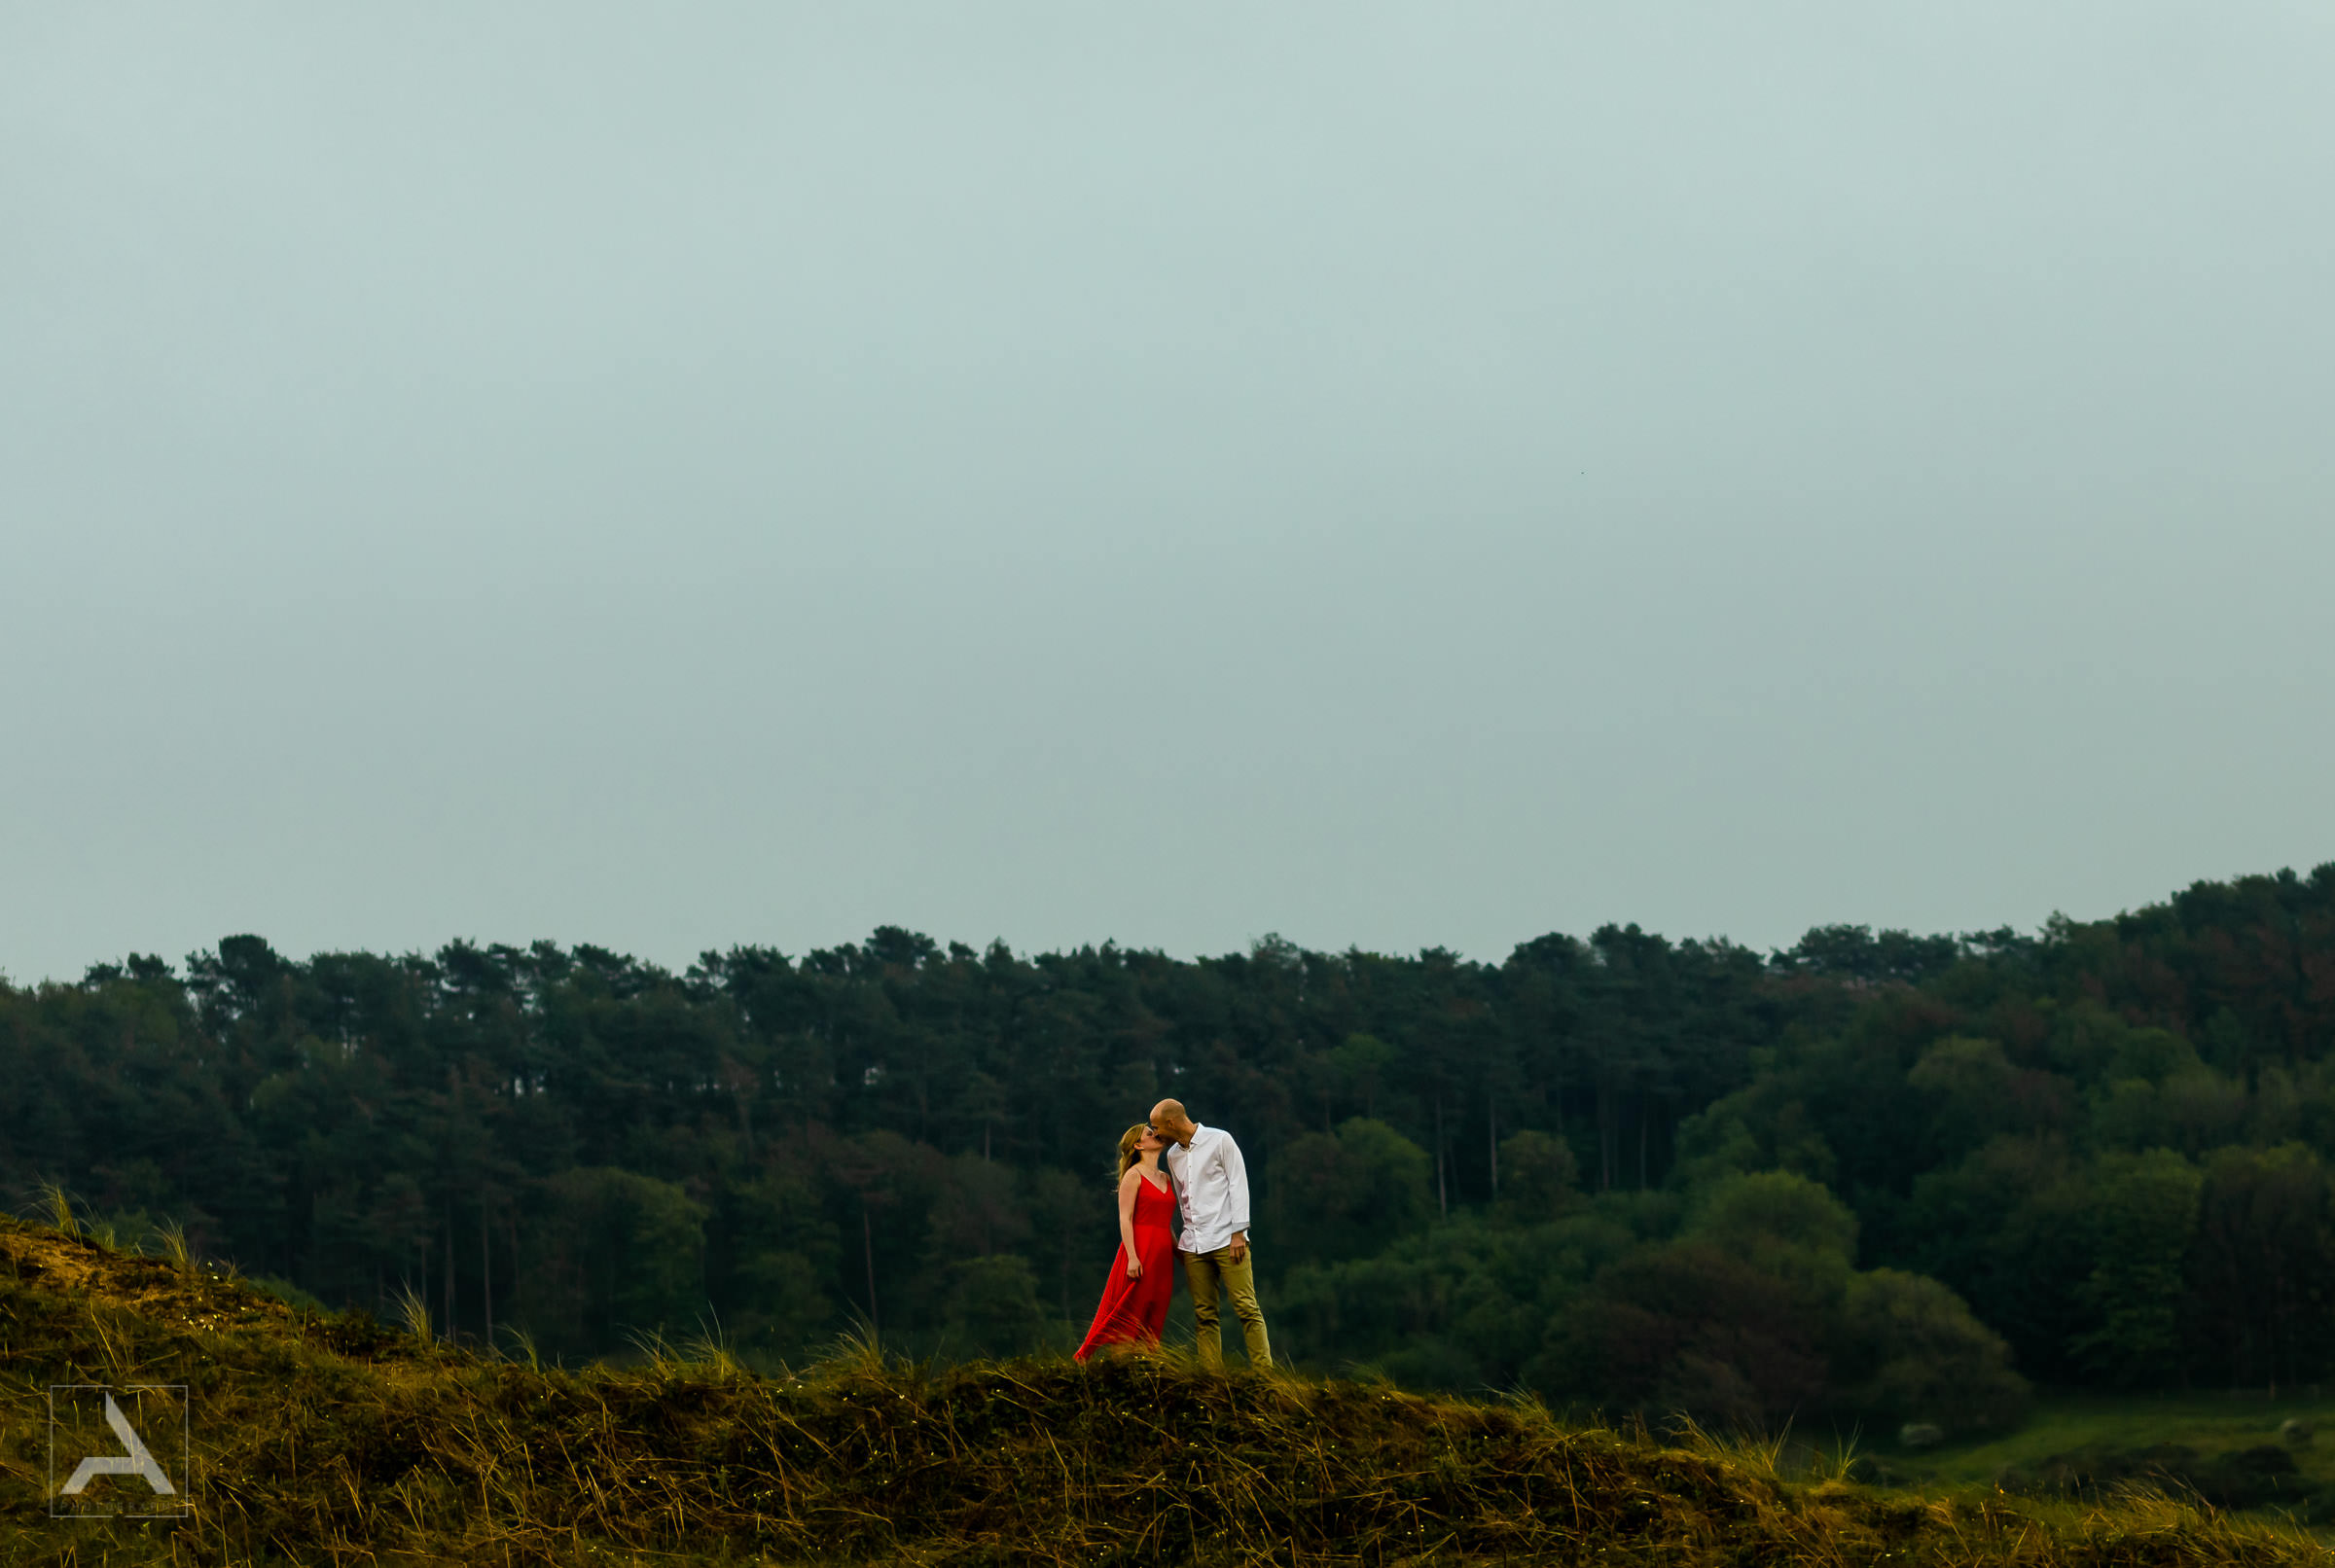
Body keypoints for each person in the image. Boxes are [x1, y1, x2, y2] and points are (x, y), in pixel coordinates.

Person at [1149, 1098, 1271, 1369]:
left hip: (1229, 1240)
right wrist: (1183, 1240)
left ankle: (1265, 1373)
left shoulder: (1220, 1140)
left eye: (1156, 1127)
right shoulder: (1172, 1156)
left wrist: (1239, 1232)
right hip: (1193, 1244)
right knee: (1204, 1314)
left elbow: (1239, 1184)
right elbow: (1183, 1199)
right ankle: (1211, 1376)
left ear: (1171, 1122)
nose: (1155, 1134)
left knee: (1246, 1307)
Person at [1073, 1123, 1177, 1361]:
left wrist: (1179, 1252)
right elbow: (1125, 1217)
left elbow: (1166, 1222)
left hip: (1161, 1258)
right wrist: (1132, 1256)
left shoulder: (1166, 1177)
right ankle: (1118, 1371)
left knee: (1154, 1314)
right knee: (1128, 1315)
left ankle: (1146, 1370)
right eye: (1150, 1133)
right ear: (1139, 1145)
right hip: (1140, 1252)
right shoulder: (1134, 1175)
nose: (1156, 1134)